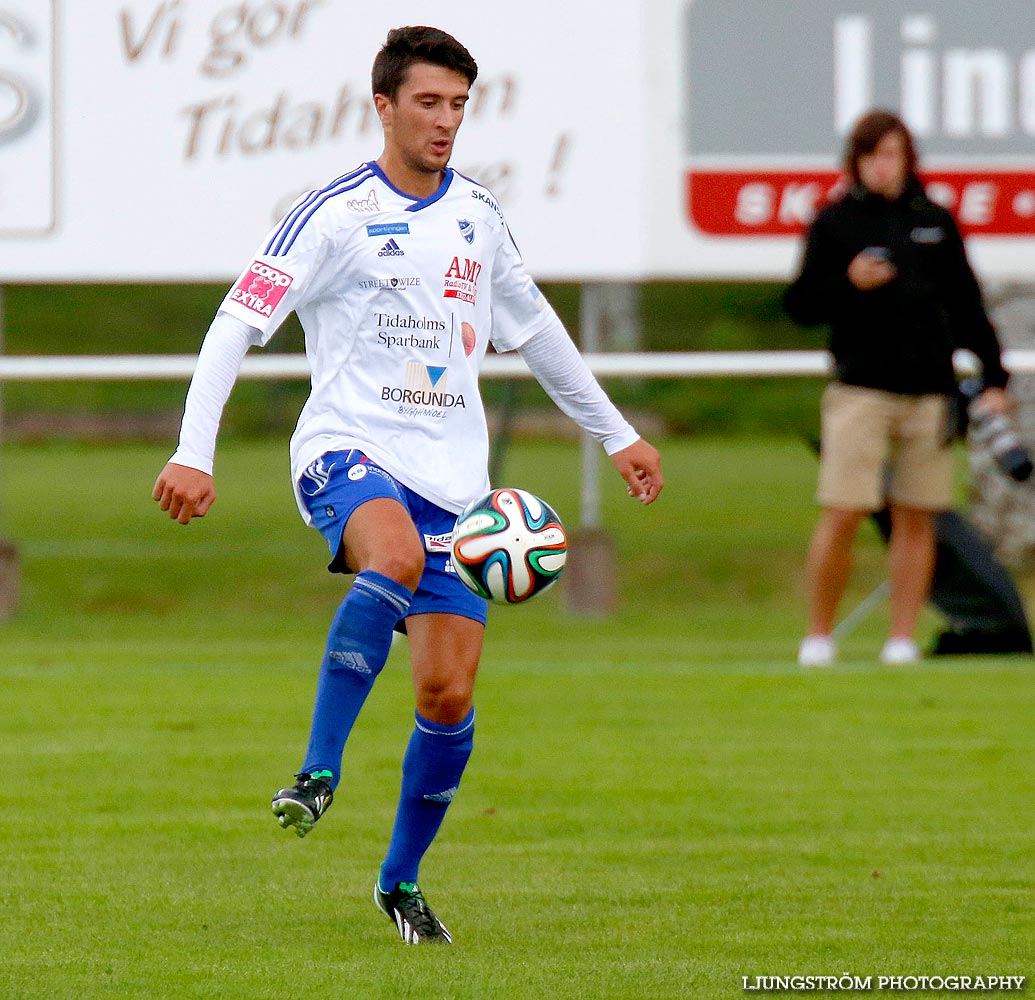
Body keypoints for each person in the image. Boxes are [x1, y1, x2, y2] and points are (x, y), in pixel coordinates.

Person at [152, 26, 663, 944]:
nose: (445, 121)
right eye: (428, 102)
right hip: (347, 451)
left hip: (455, 489)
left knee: (446, 698)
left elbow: (536, 328)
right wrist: (196, 451)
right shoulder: (334, 213)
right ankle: (316, 771)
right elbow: (234, 326)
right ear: (382, 105)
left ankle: (399, 883)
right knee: (383, 551)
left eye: (459, 104)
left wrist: (617, 433)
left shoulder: (476, 213)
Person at [784, 108, 1010, 667]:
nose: (884, 167)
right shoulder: (836, 223)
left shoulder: (934, 220)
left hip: (929, 391)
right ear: (856, 162)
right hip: (862, 389)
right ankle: (819, 635)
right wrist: (849, 283)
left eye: (894, 155)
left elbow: (966, 303)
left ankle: (901, 638)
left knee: (919, 514)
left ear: (909, 159)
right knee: (844, 509)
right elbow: (801, 305)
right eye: (873, 156)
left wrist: (993, 376)